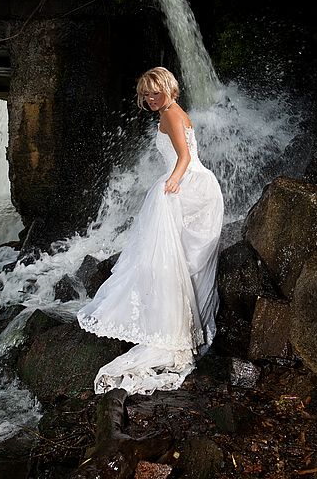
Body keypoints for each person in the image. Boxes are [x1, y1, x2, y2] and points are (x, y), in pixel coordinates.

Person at [77, 67, 224, 396]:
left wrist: (172, 180)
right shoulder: (173, 111)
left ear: (168, 89)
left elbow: (185, 156)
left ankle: (172, 329)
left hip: (186, 184)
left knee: (166, 260)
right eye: (145, 95)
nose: (149, 99)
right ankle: (177, 324)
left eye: (154, 93)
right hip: (193, 183)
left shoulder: (171, 114)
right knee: (171, 261)